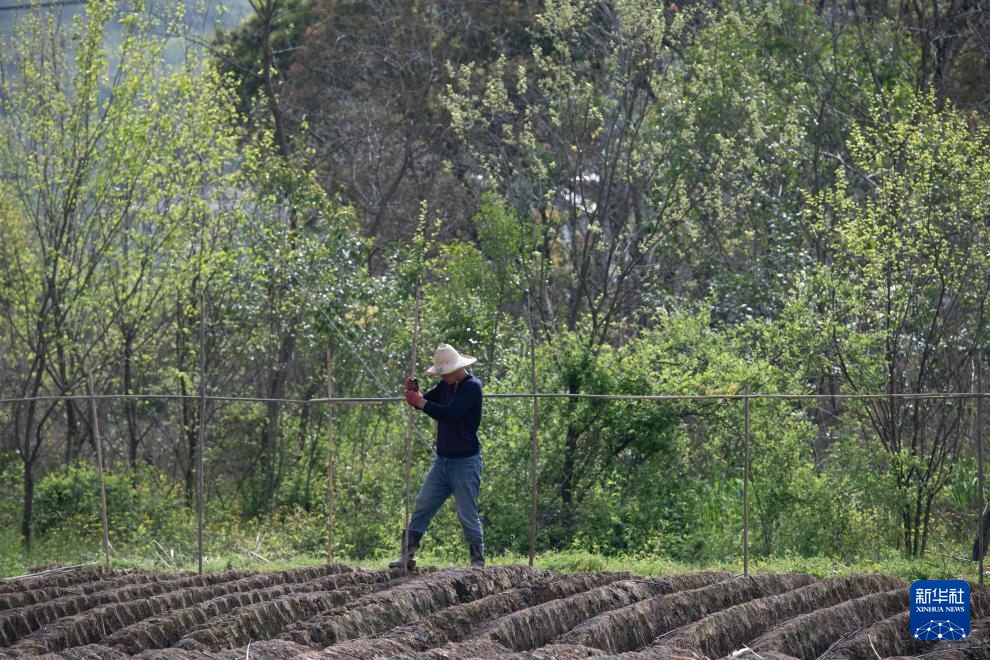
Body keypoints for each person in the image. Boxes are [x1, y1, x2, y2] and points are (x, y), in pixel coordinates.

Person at [390, 343, 485, 569]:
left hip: (465, 462)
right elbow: (425, 402)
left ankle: (477, 560)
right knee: (423, 504)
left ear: (456, 368)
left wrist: (420, 402)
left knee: (466, 512)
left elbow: (451, 413)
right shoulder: (445, 385)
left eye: (445, 372)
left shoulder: (472, 387)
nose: (442, 376)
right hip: (442, 462)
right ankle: (407, 554)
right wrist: (415, 393)